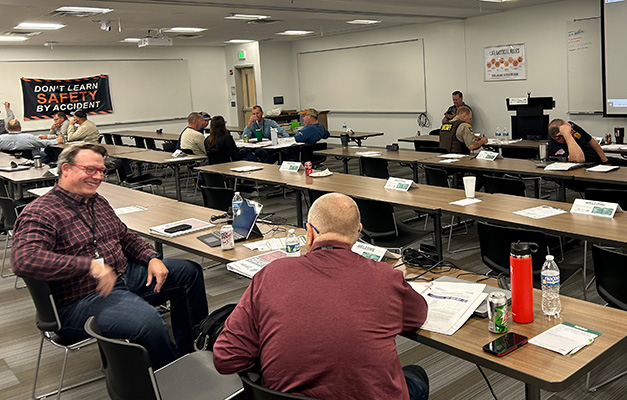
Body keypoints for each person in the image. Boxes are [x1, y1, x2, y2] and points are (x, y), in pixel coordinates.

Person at [213, 193, 429, 400]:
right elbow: (417, 316)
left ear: (309, 232)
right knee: (415, 375)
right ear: (358, 233)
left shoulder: (271, 274)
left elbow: (226, 359)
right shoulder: (386, 277)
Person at [11, 143, 209, 369]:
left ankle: (189, 353)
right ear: (66, 169)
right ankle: (173, 378)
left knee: (188, 272)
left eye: (102, 171)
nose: (98, 177)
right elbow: (24, 259)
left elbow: (125, 236)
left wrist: (152, 258)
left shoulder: (97, 201)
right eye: (90, 170)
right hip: (81, 298)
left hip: (122, 276)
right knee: (148, 322)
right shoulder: (41, 212)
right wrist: (89, 266)